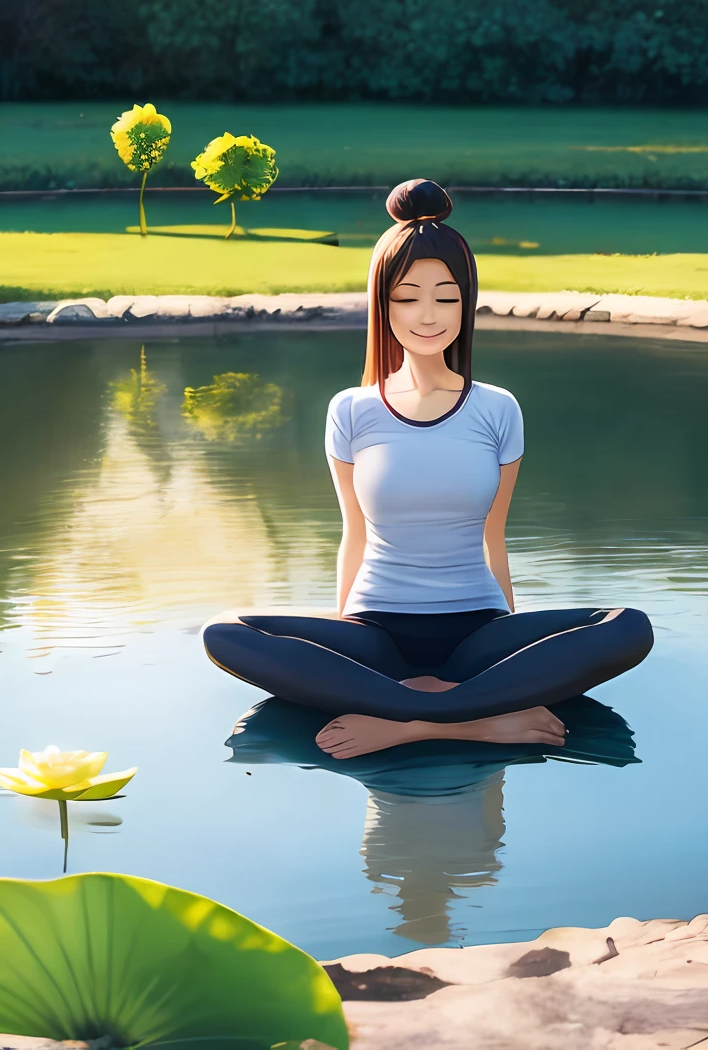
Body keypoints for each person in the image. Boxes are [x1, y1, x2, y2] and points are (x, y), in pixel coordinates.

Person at [202, 178, 653, 759]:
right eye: (408, 296)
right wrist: (342, 656)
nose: (428, 314)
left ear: (466, 302)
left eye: (446, 296)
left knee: (629, 625)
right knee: (224, 633)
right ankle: (469, 719)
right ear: (382, 303)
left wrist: (511, 662)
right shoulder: (352, 410)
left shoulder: (497, 408)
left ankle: (414, 719)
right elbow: (354, 535)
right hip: (376, 633)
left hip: (478, 632)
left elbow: (495, 538)